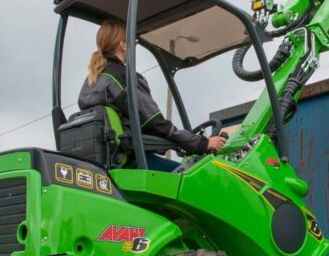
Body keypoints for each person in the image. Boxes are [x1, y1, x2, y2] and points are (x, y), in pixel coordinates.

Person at [78, 20, 226, 172]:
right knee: (197, 176)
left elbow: (135, 126)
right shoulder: (125, 78)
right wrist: (201, 143)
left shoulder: (91, 82)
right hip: (133, 162)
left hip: (107, 165)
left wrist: (182, 145)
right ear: (123, 45)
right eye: (133, 43)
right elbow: (156, 123)